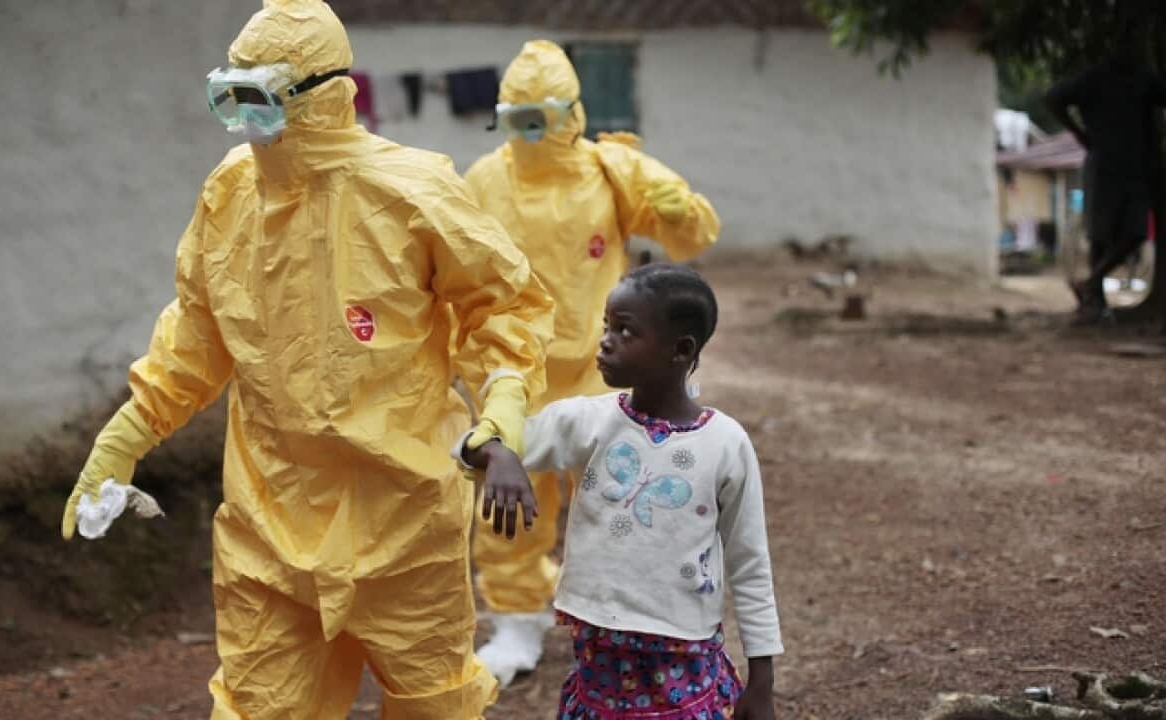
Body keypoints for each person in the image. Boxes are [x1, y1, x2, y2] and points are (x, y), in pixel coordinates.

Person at [58, 1, 554, 717]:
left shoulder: (411, 191)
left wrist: (501, 415)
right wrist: (128, 434)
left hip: (403, 517)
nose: (241, 119)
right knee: (259, 705)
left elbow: (503, 305)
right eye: (229, 96)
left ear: (319, 94)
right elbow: (195, 335)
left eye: (256, 100)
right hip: (271, 522)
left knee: (432, 702)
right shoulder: (231, 191)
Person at [465, 39, 721, 686]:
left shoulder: (610, 171)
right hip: (515, 374)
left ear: (570, 116)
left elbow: (690, 237)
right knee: (509, 504)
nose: (528, 134)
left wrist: (673, 205)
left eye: (539, 119)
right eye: (515, 118)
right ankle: (518, 621)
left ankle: (629, 617)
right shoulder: (484, 181)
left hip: (602, 368)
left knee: (620, 498)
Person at [463, 264, 783, 720]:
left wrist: (763, 682)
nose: (607, 340)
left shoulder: (725, 444)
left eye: (626, 330)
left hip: (682, 660)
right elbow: (468, 448)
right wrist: (498, 454)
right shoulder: (586, 422)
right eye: (607, 326)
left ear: (681, 350)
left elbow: (750, 563)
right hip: (599, 663)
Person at [1046, 30, 1166, 322]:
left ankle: (1090, 283)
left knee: (1135, 234)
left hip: (1137, 167)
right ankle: (1094, 301)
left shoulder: (1144, 78)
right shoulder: (1094, 78)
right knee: (1100, 235)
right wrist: (1080, 134)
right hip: (1104, 165)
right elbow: (1053, 99)